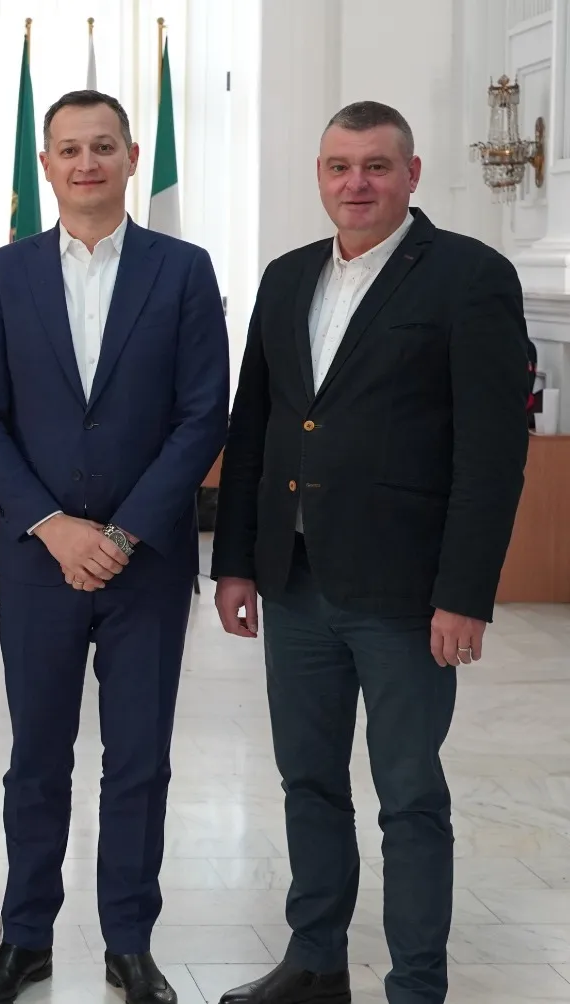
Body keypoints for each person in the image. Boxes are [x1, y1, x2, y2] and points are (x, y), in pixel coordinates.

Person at [210, 102, 532, 1004]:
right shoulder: (287, 277)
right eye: (339, 166)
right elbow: (258, 426)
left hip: (406, 594)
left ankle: (416, 985)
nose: (356, 183)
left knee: (409, 797)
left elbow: (491, 455)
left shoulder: (470, 277)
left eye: (376, 166)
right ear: (319, 175)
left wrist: (464, 593)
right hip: (295, 582)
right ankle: (315, 963)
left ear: (411, 175)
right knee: (308, 780)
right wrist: (235, 561)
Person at [0, 90, 229, 1004]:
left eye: (102, 146)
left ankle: (129, 944)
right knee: (37, 758)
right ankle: (26, 939)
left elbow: (202, 417)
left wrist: (121, 532)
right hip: (39, 560)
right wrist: (52, 525)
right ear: (46, 166)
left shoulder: (182, 270)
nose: (86, 163)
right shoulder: (4, 275)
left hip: (145, 564)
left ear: (130, 157)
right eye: (69, 149)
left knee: (138, 760)